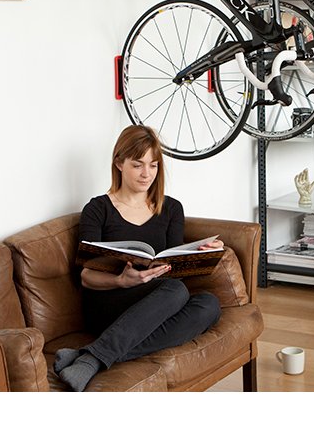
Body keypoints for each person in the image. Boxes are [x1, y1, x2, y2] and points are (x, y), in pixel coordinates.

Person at [55, 125, 223, 391]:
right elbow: (86, 277)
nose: (147, 174)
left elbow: (173, 267)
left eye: (153, 165)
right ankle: (96, 355)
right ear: (119, 163)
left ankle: (91, 356)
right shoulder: (98, 210)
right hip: (109, 304)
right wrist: (121, 281)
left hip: (154, 303)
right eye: (138, 165)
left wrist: (200, 253)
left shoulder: (171, 208)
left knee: (209, 305)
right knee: (176, 291)